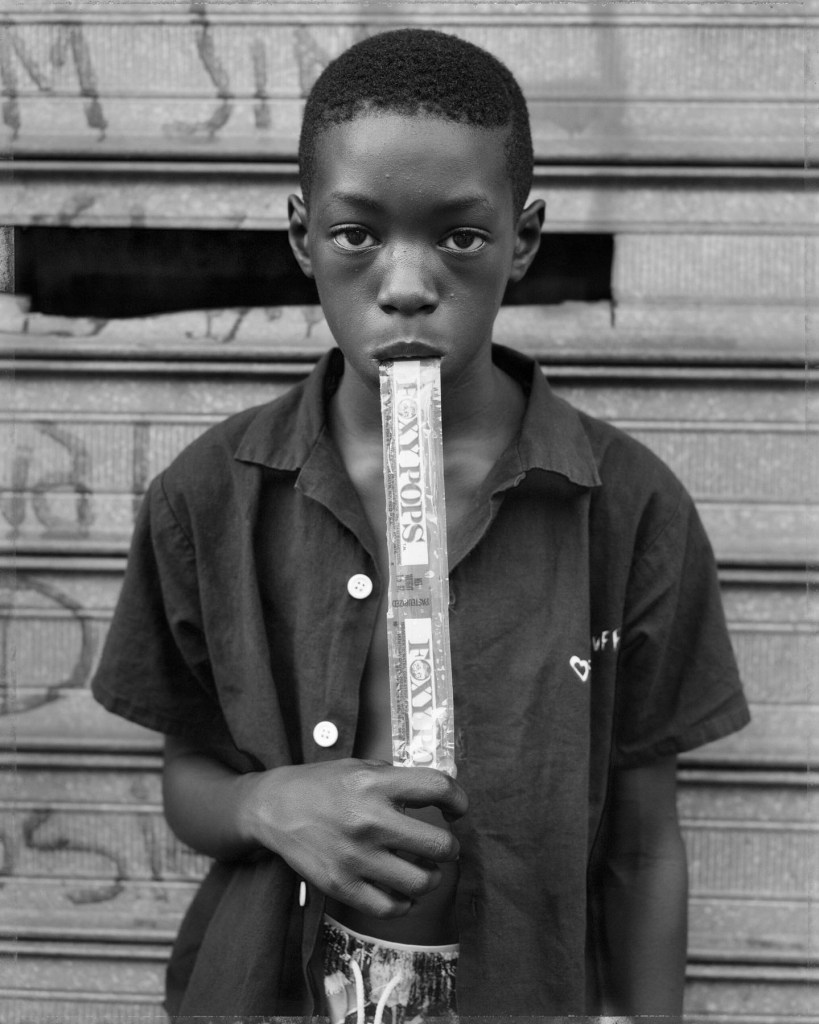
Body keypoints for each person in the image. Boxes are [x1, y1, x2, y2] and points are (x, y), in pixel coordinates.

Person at [91, 28, 750, 1023]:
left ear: (521, 239)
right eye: (359, 234)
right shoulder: (210, 496)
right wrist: (273, 805)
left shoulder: (627, 505)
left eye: (459, 236)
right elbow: (191, 779)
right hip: (269, 994)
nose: (406, 282)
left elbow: (646, 841)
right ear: (301, 233)